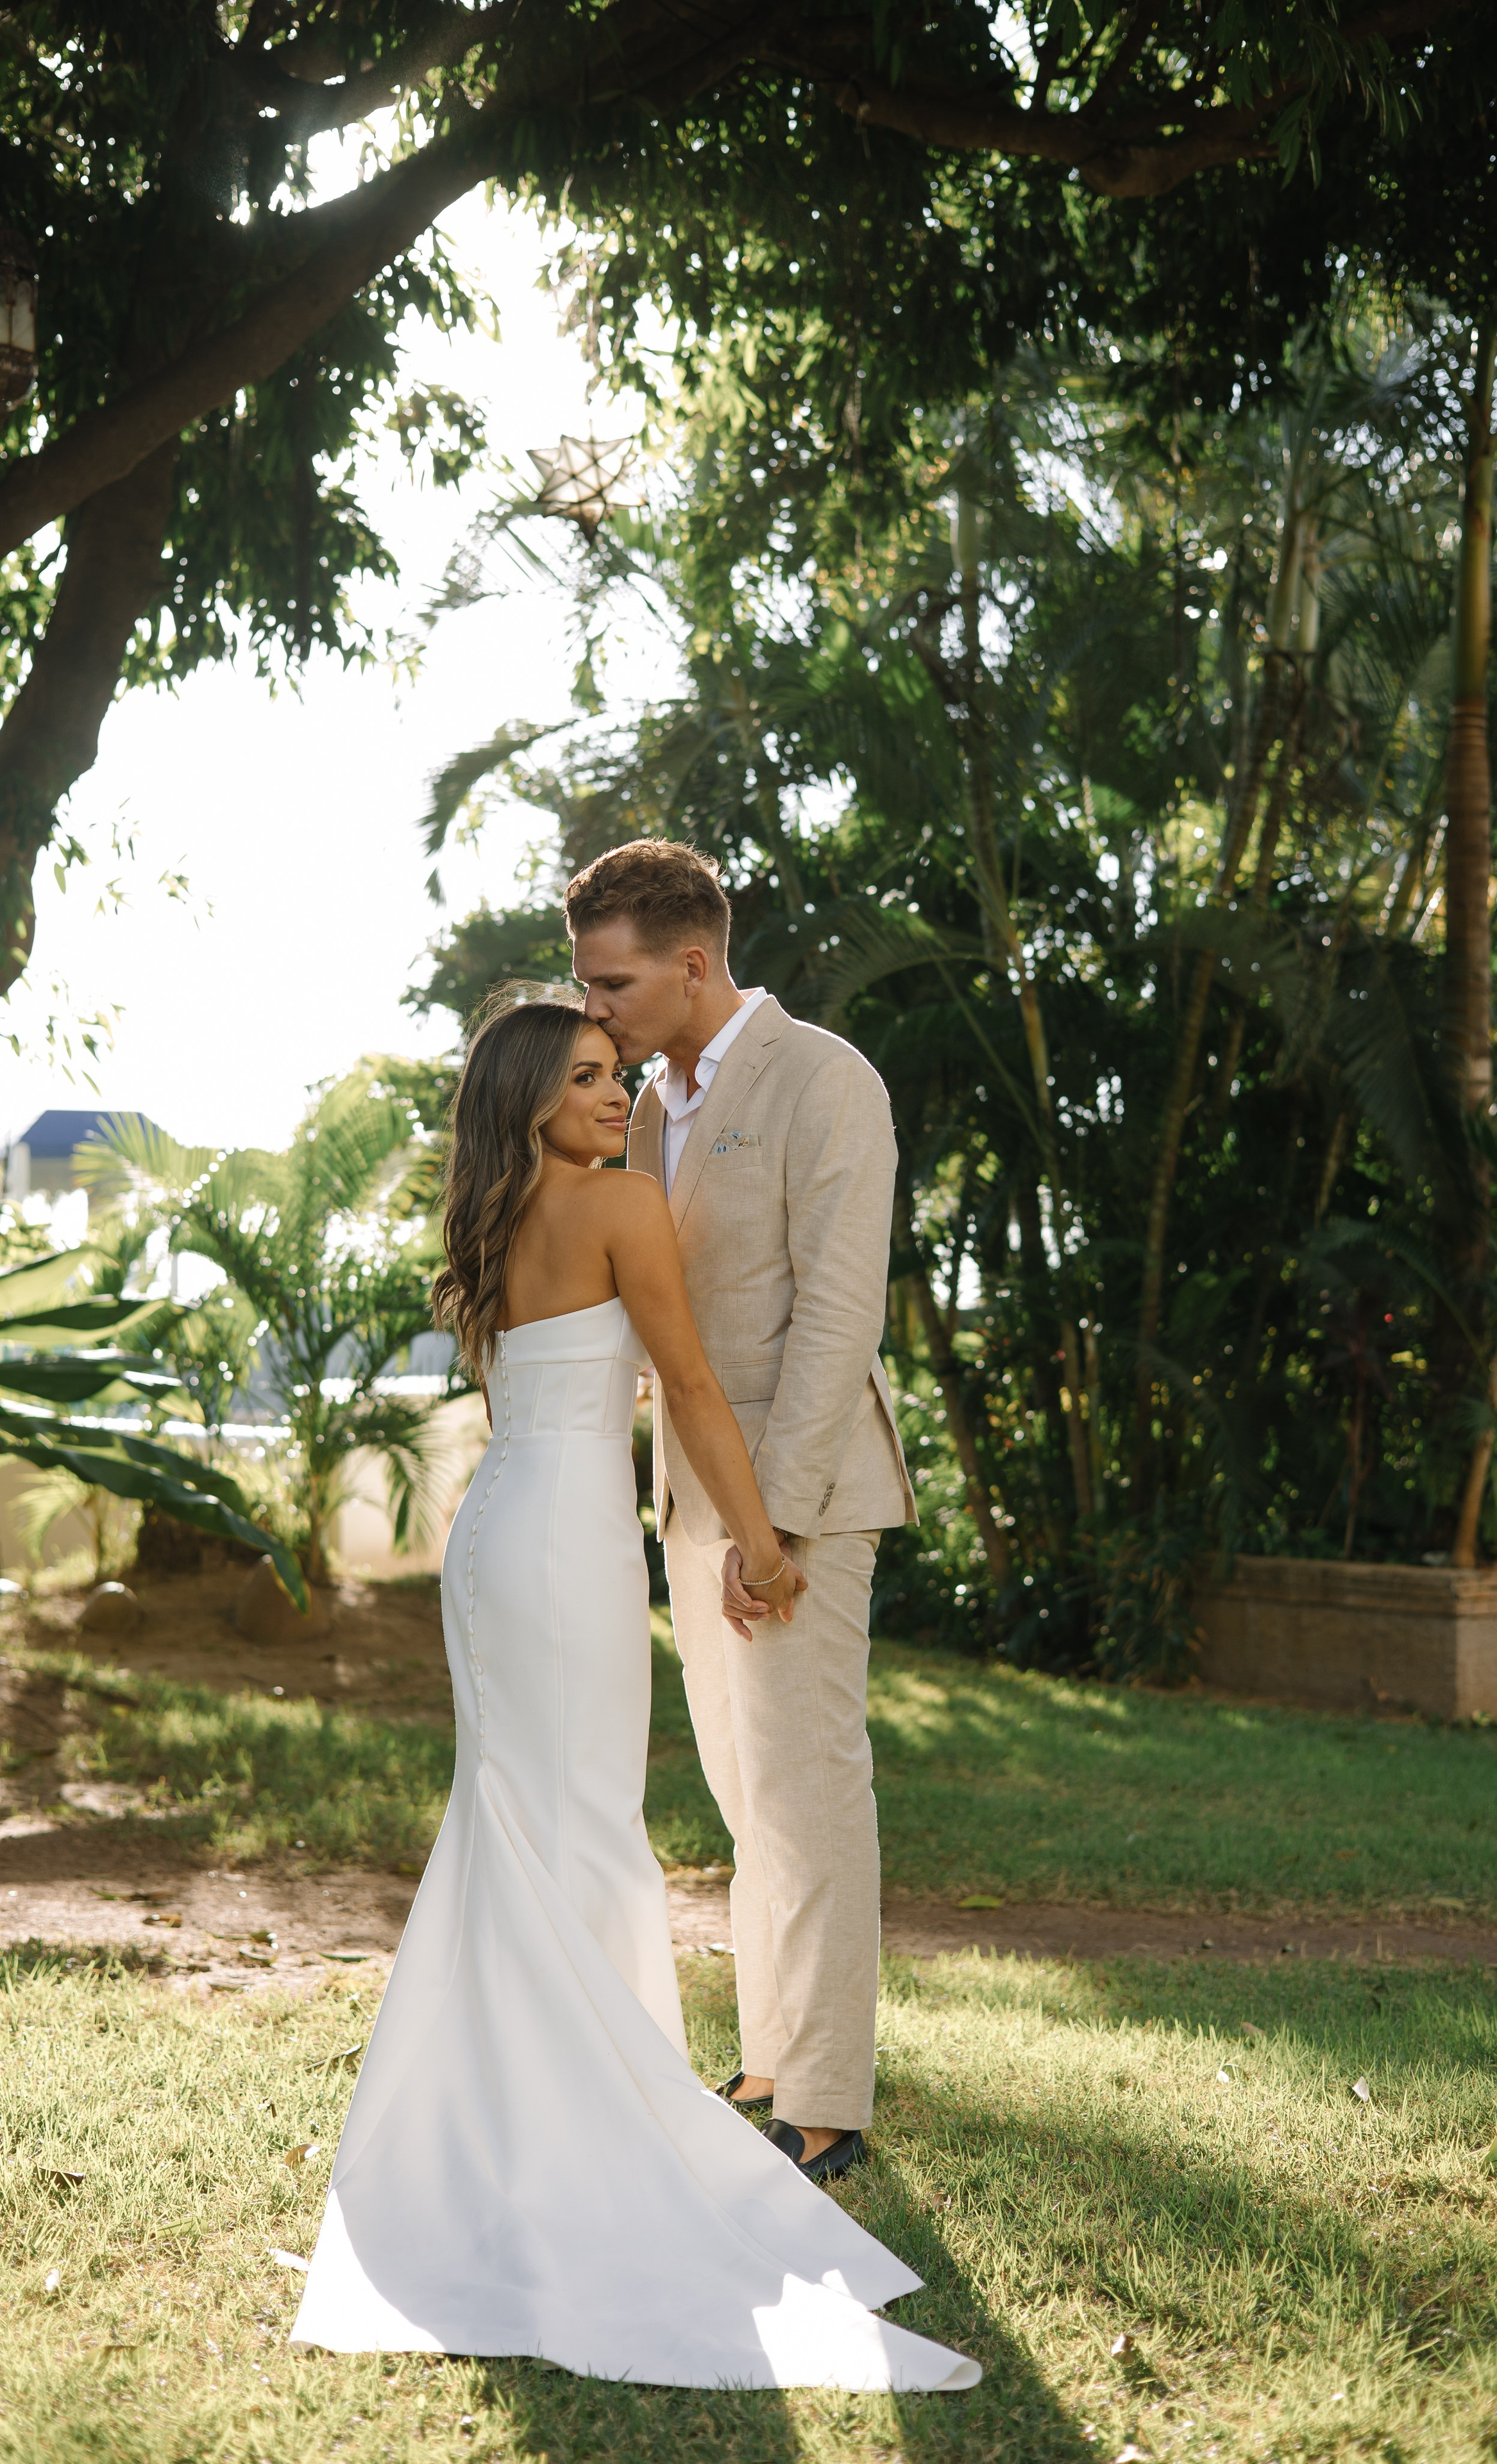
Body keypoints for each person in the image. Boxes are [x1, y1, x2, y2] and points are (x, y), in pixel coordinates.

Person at [290, 987, 979, 2393]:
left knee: (516, 1826)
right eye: (594, 1079)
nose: (623, 1098)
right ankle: (590, 2131)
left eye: (621, 1073)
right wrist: (766, 1541)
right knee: (585, 1823)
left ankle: (503, 2131)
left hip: (495, 1538)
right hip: (569, 1551)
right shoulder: (616, 1208)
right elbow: (692, 1387)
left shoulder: (485, 1216)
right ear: (535, 1094)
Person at [566, 839, 915, 2182]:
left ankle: (825, 2097)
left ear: (693, 962)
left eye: (614, 982)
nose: (594, 1008)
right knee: (743, 1794)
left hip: (802, 1493)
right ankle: (769, 2054)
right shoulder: (645, 1104)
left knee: (809, 1790)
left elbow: (835, 1313)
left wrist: (774, 1529)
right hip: (690, 1495)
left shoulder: (826, 1078)